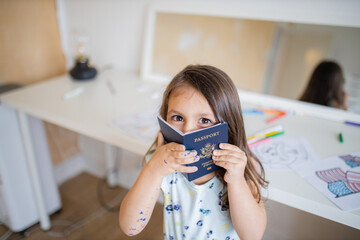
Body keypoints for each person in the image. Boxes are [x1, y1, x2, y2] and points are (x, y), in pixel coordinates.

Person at [119, 65, 268, 239]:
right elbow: (129, 227)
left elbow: (252, 236)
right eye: (178, 118)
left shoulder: (244, 165)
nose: (187, 130)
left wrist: (236, 180)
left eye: (204, 120)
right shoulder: (162, 161)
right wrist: (153, 169)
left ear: (227, 124)